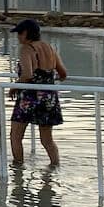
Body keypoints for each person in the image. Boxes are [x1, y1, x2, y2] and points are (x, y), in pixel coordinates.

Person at [9, 19, 68, 166]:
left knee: (15, 136)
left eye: (20, 33)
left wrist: (14, 87)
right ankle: (55, 166)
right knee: (47, 139)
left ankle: (18, 168)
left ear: (27, 33)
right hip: (49, 97)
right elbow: (63, 73)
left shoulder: (27, 49)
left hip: (29, 97)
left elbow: (27, 74)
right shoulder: (50, 48)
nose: (18, 37)